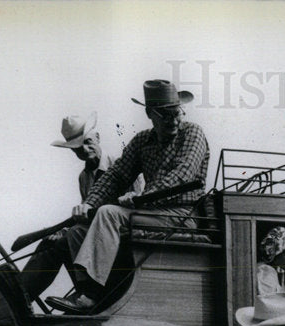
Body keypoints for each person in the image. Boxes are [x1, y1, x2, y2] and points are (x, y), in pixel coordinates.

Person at [46, 80, 209, 313]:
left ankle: (91, 295)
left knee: (109, 213)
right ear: (149, 114)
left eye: (177, 113)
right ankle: (91, 294)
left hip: (182, 215)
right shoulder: (142, 141)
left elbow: (182, 175)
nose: (174, 121)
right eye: (165, 115)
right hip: (151, 214)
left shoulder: (192, 133)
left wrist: (143, 197)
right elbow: (116, 176)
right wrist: (88, 203)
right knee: (77, 231)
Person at [19, 113, 142, 304]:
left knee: (72, 235)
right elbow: (87, 215)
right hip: (96, 232)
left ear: (98, 138)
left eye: (88, 142)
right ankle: (22, 295)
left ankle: (88, 292)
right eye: (77, 149)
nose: (84, 150)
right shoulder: (83, 177)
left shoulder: (121, 165)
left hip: (122, 232)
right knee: (51, 242)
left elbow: (137, 203)